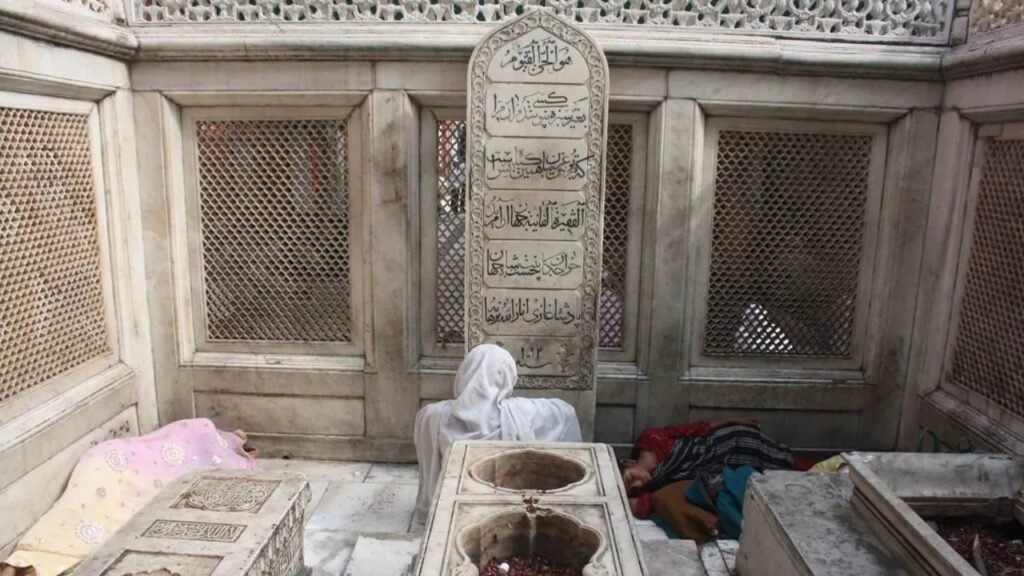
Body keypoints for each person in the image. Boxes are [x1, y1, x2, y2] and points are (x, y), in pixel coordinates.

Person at [413, 344, 582, 524]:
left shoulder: (431, 415)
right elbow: (566, 412)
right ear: (505, 378)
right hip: (504, 504)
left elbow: (428, 468)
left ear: (465, 373)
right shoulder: (521, 412)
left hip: (455, 501)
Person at [620, 418, 794, 517]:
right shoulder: (657, 486)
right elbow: (645, 506)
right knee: (772, 474)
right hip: (723, 465)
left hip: (725, 439)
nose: (637, 484)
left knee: (779, 457)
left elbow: (698, 428)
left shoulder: (650, 438)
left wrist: (734, 420)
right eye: (633, 489)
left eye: (630, 478)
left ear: (627, 463)